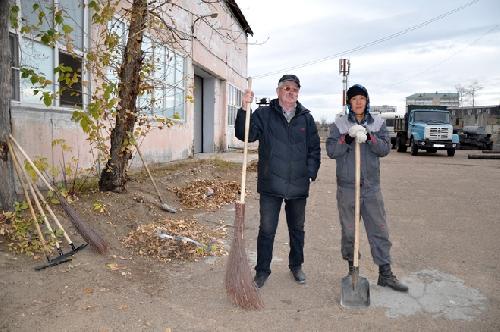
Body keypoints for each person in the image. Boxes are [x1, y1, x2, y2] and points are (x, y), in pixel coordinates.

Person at [235, 74, 321, 288]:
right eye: (287, 88)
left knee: (297, 229)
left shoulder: (306, 118)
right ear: (278, 91)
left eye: (295, 90)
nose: (291, 92)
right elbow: (244, 135)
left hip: (298, 184)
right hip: (271, 183)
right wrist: (244, 109)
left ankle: (296, 266)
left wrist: (310, 171)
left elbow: (314, 148)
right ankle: (262, 271)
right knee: (267, 229)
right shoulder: (264, 114)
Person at [326, 84, 408, 292]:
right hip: (347, 189)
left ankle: (385, 274)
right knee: (350, 233)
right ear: (349, 103)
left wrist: (370, 138)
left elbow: (385, 149)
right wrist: (347, 138)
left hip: (371, 188)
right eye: (354, 99)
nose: (359, 102)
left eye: (362, 98)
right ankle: (352, 270)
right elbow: (331, 151)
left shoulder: (378, 123)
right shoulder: (339, 124)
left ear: (367, 101)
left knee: (379, 230)